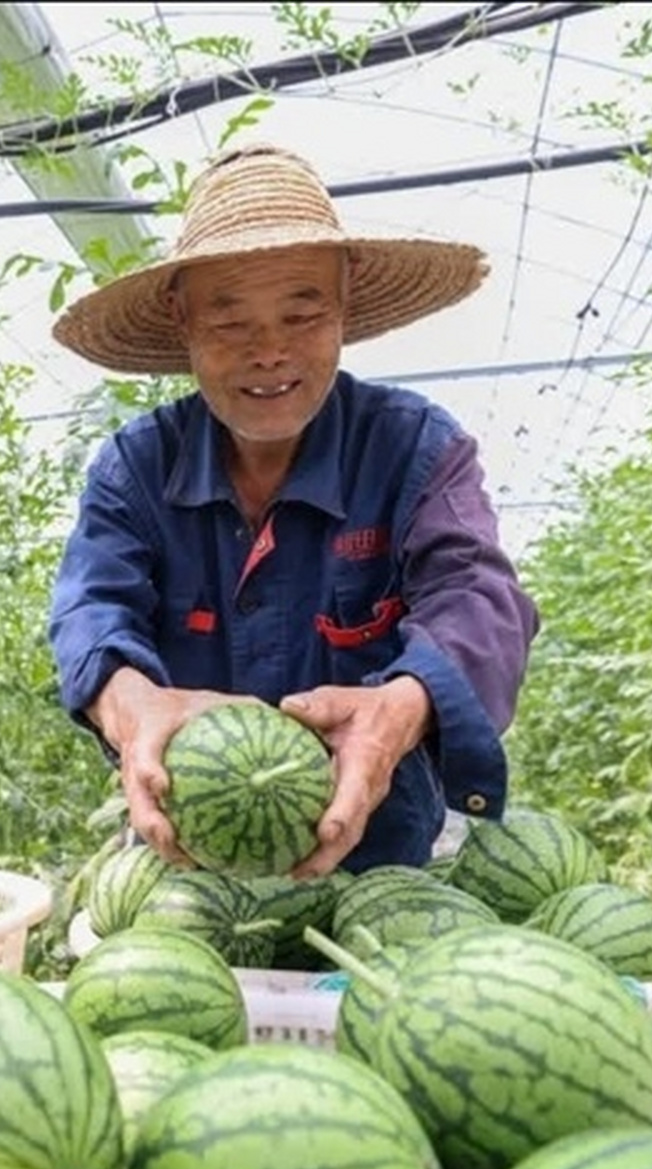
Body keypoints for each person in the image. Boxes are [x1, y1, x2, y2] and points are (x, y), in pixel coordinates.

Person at [48, 144, 540, 880]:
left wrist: (400, 708)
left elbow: (480, 600)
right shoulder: (135, 470)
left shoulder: (415, 450)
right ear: (182, 321)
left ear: (345, 305)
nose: (270, 352)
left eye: (303, 313)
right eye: (230, 322)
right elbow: (92, 611)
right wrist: (130, 705)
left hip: (388, 862)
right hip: (191, 861)